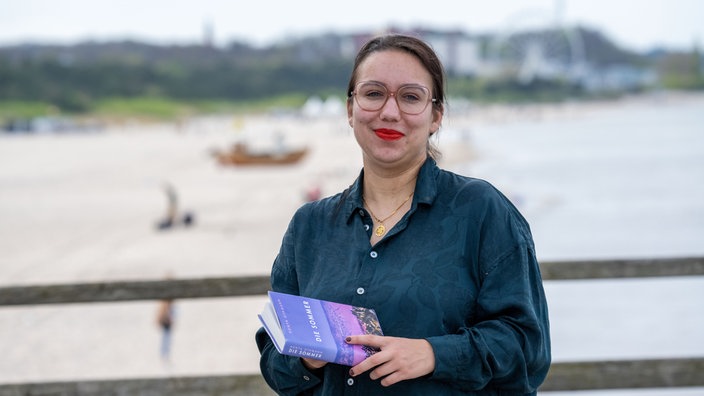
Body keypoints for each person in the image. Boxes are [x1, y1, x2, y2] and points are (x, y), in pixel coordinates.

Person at [255, 34, 551, 395]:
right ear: (350, 109)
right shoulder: (309, 226)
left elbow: (528, 346)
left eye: (410, 97)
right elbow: (274, 362)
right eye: (373, 93)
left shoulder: (482, 210)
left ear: (435, 116)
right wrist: (305, 358)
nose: (390, 112)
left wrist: (433, 353)